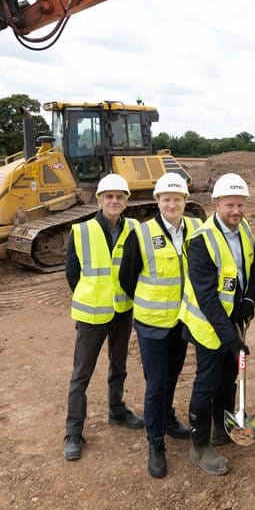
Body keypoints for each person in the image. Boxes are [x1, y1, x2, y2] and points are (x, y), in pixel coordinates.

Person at [119, 172, 201, 479]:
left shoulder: (196, 227)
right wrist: (151, 302)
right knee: (155, 384)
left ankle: (167, 419)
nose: (172, 204)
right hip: (152, 324)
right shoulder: (141, 234)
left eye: (177, 199)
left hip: (182, 322)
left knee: (173, 375)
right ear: (157, 201)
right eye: (166, 199)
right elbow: (127, 278)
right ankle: (155, 443)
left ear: (185, 201)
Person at [179, 172, 255, 476]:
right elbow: (207, 298)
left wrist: (249, 300)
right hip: (208, 327)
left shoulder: (244, 228)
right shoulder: (201, 241)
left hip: (233, 320)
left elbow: (254, 265)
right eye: (230, 205)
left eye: (240, 205)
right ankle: (199, 447)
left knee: (228, 379)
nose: (236, 211)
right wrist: (231, 339)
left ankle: (220, 429)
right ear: (216, 204)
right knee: (207, 383)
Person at [63, 174, 145, 463]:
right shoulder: (82, 230)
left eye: (119, 197)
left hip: (122, 310)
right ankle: (73, 432)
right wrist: (92, 296)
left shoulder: (134, 228)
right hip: (91, 314)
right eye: (108, 197)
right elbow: (72, 273)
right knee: (81, 375)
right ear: (99, 201)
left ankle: (117, 410)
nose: (114, 201)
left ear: (126, 202)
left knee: (119, 366)